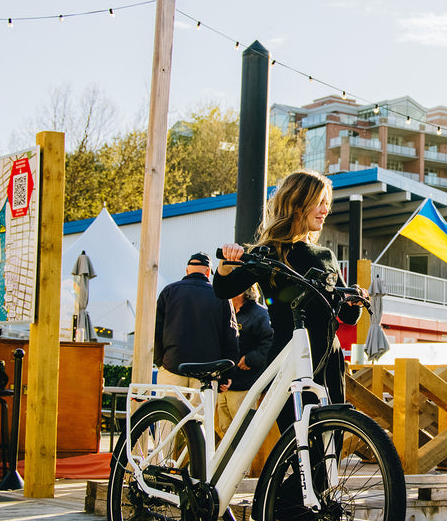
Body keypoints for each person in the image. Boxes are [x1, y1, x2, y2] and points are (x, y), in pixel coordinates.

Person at [215, 169, 365, 425]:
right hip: (289, 359)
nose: (325, 210)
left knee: (331, 442)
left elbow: (348, 316)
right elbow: (224, 289)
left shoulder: (326, 255)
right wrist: (226, 265)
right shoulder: (268, 253)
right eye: (319, 202)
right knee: (298, 443)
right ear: (297, 205)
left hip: (328, 359)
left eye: (326, 203)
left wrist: (355, 298)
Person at [154, 252, 240, 389]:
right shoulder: (221, 296)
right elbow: (231, 336)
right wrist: (227, 374)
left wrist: (160, 362)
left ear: (187, 270)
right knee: (201, 410)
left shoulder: (169, 291)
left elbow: (156, 330)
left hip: (172, 366)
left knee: (170, 409)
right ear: (208, 272)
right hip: (207, 372)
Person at [216, 284, 275, 434]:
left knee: (244, 433)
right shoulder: (226, 312)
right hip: (224, 386)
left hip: (245, 386)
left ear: (243, 291)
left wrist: (251, 359)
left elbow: (271, 341)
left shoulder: (260, 314)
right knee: (224, 431)